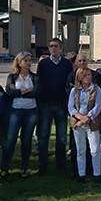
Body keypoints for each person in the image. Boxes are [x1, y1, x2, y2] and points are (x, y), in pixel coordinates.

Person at [35, 38, 73, 175]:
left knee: (62, 137)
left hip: (61, 105)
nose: (53, 48)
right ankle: (43, 166)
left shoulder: (67, 64)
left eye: (56, 46)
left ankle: (61, 164)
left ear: (61, 48)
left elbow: (70, 83)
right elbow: (38, 83)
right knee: (43, 136)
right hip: (45, 105)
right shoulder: (43, 64)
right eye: (51, 46)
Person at [1, 51, 40, 179]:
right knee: (10, 139)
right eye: (26, 60)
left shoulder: (34, 77)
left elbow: (37, 92)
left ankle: (24, 167)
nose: (29, 63)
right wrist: (26, 90)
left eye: (30, 60)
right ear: (19, 62)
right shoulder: (12, 77)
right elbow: (9, 92)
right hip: (16, 110)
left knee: (26, 139)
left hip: (31, 110)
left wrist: (20, 91)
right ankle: (5, 168)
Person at [68, 67, 101, 183]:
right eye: (85, 75)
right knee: (80, 150)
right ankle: (81, 174)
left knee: (95, 150)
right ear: (80, 78)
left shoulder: (96, 89)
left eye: (89, 75)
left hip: (91, 123)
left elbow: (98, 106)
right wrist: (80, 118)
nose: (88, 77)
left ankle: (97, 174)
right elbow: (71, 107)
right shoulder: (75, 91)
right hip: (78, 124)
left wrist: (86, 118)